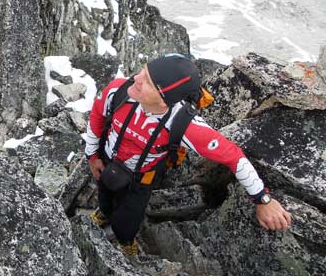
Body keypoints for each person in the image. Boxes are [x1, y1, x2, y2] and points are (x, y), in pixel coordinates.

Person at [84, 54, 292, 255]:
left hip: (140, 179)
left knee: (129, 217)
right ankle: (104, 212)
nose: (136, 78)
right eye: (143, 71)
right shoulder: (119, 90)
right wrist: (92, 157)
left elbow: (234, 156)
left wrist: (263, 200)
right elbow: (96, 117)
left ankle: (125, 240)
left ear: (164, 101)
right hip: (106, 159)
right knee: (104, 192)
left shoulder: (184, 124)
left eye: (147, 81)